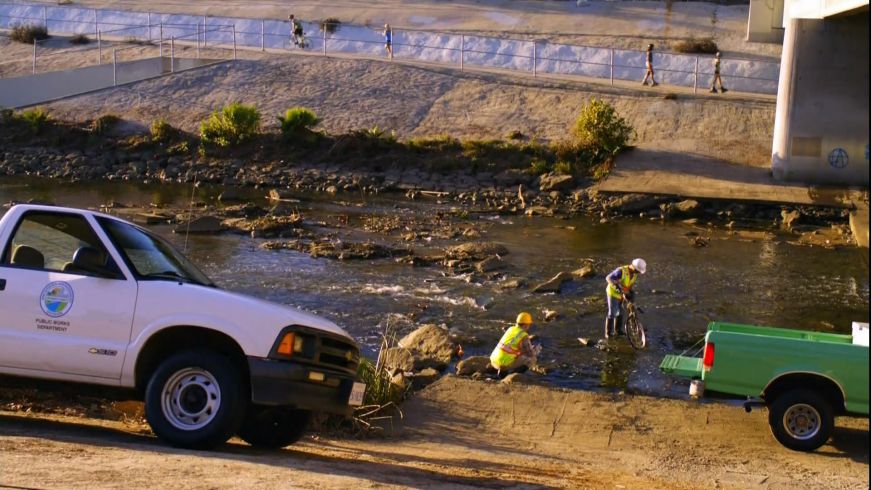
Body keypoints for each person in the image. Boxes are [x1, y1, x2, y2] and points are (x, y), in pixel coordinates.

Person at [604, 258, 647, 339]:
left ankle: (618, 331)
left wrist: (630, 293)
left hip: (622, 294)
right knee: (612, 312)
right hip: (613, 293)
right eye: (638, 271)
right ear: (634, 267)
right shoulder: (621, 271)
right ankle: (608, 333)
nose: (638, 273)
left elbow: (629, 284)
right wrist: (619, 289)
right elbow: (608, 278)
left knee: (620, 312)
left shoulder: (634, 274)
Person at [490, 312, 540, 377]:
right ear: (526, 325)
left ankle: (502, 372)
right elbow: (531, 354)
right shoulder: (523, 335)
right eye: (529, 324)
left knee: (520, 354)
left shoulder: (510, 329)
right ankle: (512, 375)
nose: (529, 326)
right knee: (533, 359)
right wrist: (537, 350)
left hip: (493, 360)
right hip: (503, 364)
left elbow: (511, 347)